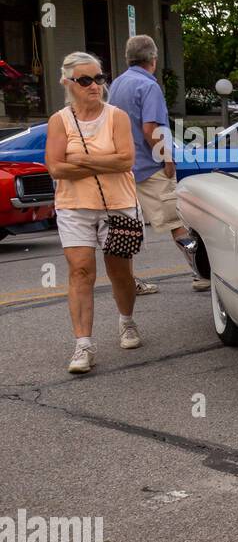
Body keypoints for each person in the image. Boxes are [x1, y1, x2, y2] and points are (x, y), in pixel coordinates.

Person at [45, 52, 141, 374]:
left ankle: (126, 321)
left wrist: (81, 161)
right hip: (74, 207)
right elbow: (56, 168)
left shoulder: (117, 117)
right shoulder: (60, 121)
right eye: (85, 80)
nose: (94, 85)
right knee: (81, 271)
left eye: (99, 78)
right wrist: (102, 161)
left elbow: (125, 160)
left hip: (118, 205)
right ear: (68, 83)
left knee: (120, 273)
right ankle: (83, 345)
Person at [106, 34, 208, 295]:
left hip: (124, 168)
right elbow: (150, 127)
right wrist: (167, 158)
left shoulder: (116, 84)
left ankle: (129, 283)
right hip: (150, 167)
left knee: (125, 228)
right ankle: (200, 273)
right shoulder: (148, 86)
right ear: (153, 59)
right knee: (177, 222)